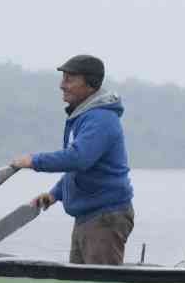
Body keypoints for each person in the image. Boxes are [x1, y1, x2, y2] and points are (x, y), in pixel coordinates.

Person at [9, 55, 135, 265]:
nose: (62, 85)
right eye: (63, 79)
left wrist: (33, 160)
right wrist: (54, 195)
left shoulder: (100, 119)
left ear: (90, 84)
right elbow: (81, 168)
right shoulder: (85, 116)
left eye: (69, 79)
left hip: (105, 217)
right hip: (89, 216)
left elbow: (78, 159)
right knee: (81, 282)